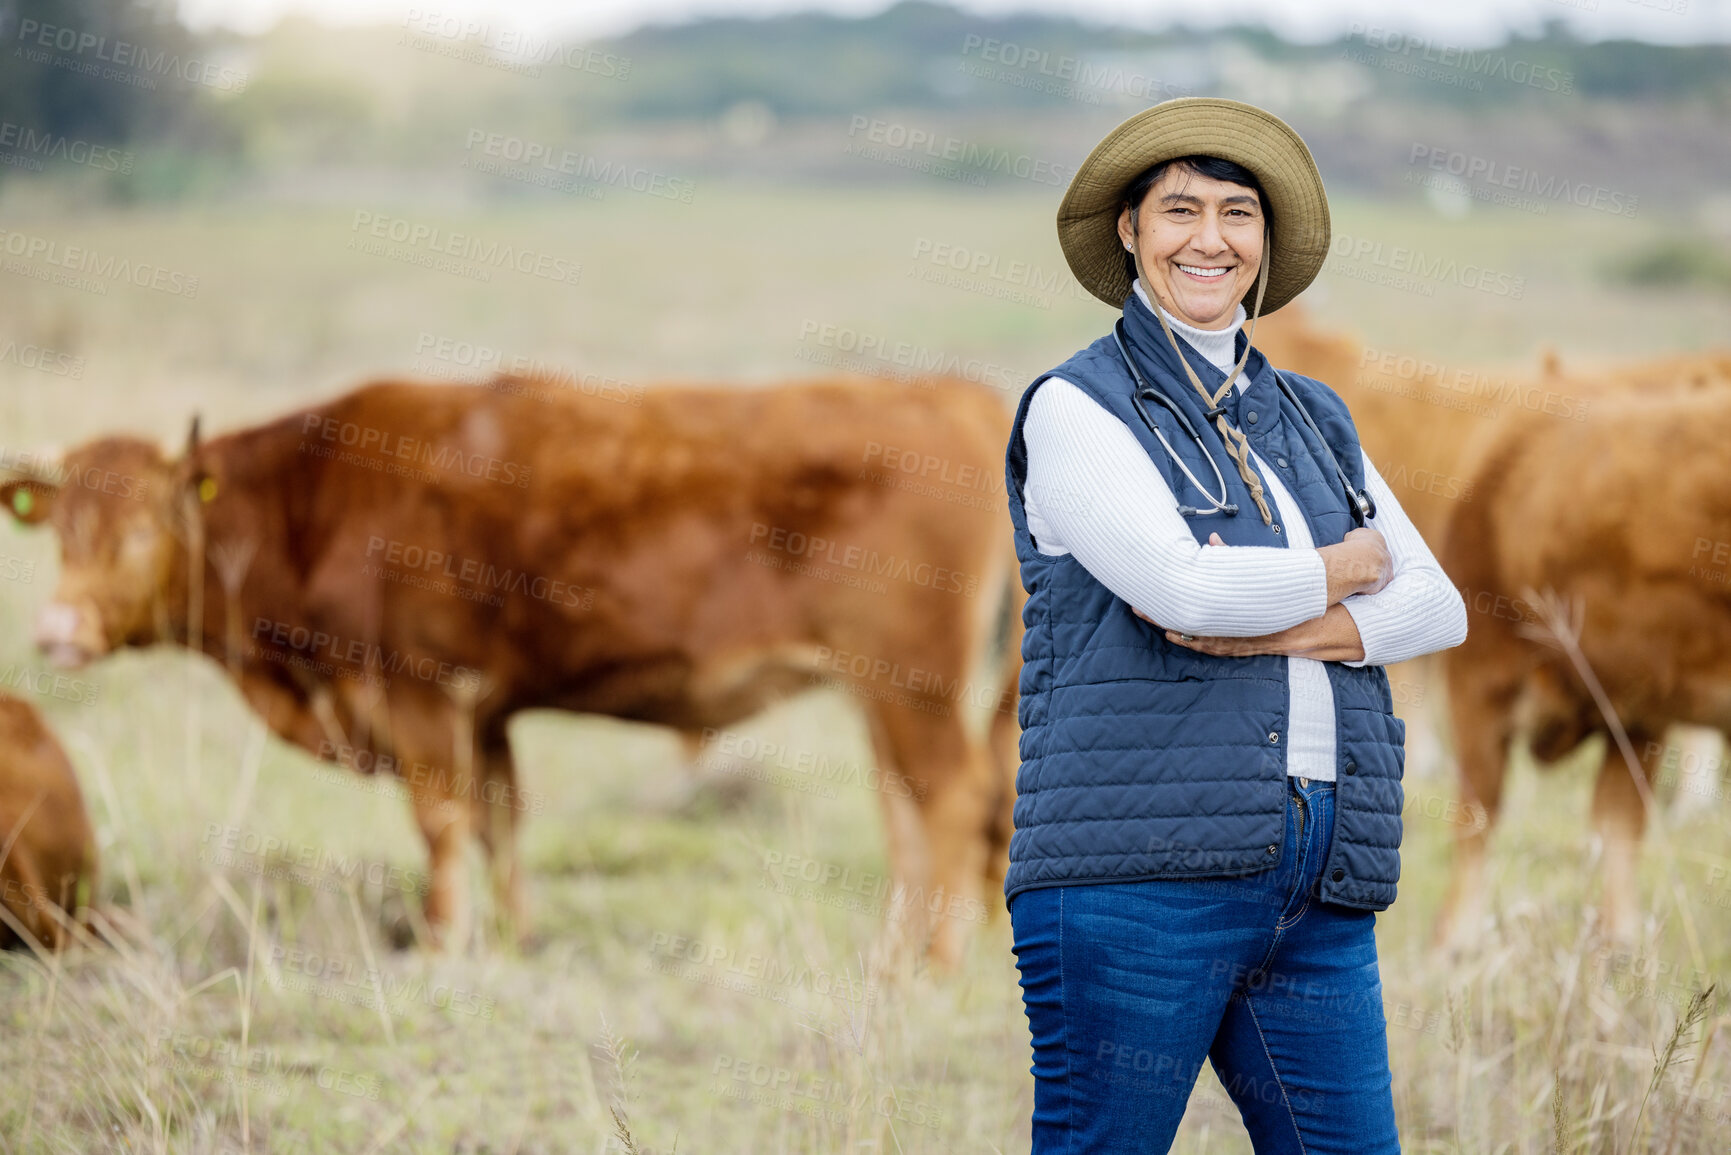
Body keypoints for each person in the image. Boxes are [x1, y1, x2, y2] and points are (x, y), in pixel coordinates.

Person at [1003, 97, 1468, 1153]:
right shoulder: (1078, 408)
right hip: (1135, 881)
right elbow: (1188, 594)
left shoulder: (1313, 413)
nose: (1209, 239)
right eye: (1179, 211)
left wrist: (1275, 624)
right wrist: (1347, 571)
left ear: (1263, 243)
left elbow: (1437, 606)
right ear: (1129, 231)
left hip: (1318, 878)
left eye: (1238, 213)